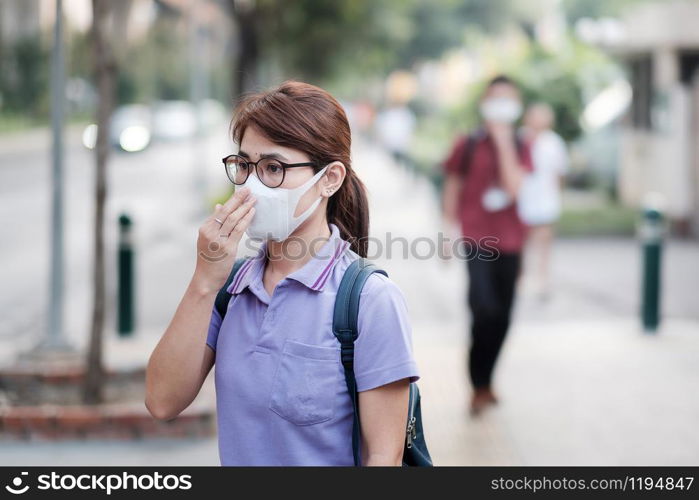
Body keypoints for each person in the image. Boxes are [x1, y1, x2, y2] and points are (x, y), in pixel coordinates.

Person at [145, 81, 420, 466]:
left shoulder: (369, 300)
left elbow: (383, 457)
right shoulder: (229, 290)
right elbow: (162, 401)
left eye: (273, 167)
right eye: (244, 165)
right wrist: (204, 281)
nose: (252, 184)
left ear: (330, 179)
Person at [441, 75, 532, 416]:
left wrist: (504, 141)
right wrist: (445, 233)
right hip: (477, 238)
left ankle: (488, 380)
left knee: (504, 316)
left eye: (509, 98)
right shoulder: (467, 144)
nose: (502, 104)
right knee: (483, 309)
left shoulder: (522, 144)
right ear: (484, 102)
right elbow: (452, 186)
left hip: (511, 240)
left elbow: (513, 189)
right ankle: (477, 384)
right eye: (496, 97)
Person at [518, 102, 568, 299]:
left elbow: (559, 173)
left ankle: (543, 279)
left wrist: (557, 195)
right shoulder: (520, 138)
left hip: (546, 199)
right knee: (521, 242)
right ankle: (520, 279)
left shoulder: (554, 142)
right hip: (523, 199)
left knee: (544, 241)